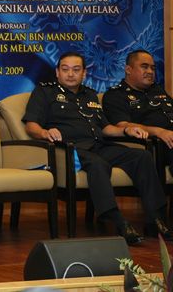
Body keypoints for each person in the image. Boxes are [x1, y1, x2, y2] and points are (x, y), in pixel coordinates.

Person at [23, 52, 171, 245]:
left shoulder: (90, 95)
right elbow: (31, 126)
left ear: (84, 73)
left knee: (141, 156)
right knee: (98, 164)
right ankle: (117, 220)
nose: (70, 74)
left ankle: (156, 218)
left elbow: (106, 128)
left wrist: (126, 130)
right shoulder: (44, 92)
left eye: (76, 70)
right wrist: (45, 132)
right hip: (71, 149)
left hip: (99, 144)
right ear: (57, 72)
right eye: (65, 69)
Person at [103, 49, 173, 175]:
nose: (150, 72)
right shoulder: (115, 95)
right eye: (144, 67)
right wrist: (158, 131)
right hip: (156, 143)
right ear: (128, 70)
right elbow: (123, 125)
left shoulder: (158, 90)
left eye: (152, 68)